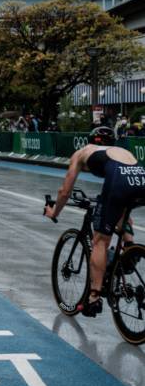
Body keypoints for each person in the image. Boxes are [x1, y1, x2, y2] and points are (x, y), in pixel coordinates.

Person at [44, 126, 145, 316]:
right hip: (141, 178)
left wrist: (54, 212)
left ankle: (94, 296)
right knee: (121, 210)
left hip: (118, 182)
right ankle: (130, 250)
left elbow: (65, 191)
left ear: (89, 141)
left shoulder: (83, 152)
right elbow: (124, 181)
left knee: (100, 240)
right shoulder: (122, 151)